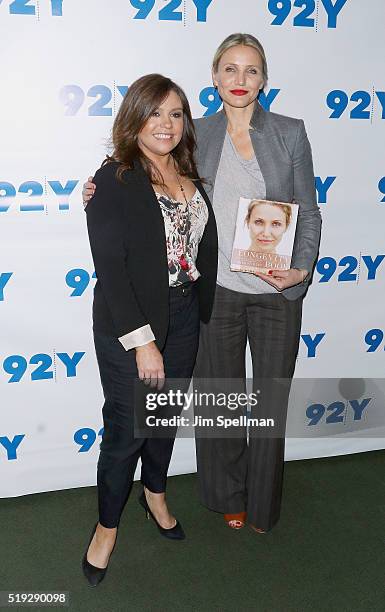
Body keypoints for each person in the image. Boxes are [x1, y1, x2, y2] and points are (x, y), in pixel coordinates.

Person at [83, 33, 321, 534]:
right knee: (222, 405)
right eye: (229, 69)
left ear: (264, 79)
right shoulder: (194, 133)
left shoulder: (290, 132)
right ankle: (227, 497)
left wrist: (299, 269)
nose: (240, 80)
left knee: (269, 405)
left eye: (251, 70)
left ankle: (263, 504)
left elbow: (310, 211)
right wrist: (98, 182)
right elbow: (146, 170)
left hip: (277, 294)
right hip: (217, 295)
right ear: (214, 77)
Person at [82, 73, 217, 586]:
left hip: (183, 314)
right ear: (134, 119)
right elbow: (111, 270)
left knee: (164, 418)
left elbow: (199, 247)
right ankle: (106, 529)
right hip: (129, 322)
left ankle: (155, 493)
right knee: (127, 431)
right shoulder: (114, 178)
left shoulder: (189, 174)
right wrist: (143, 342)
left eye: (176, 113)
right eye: (155, 112)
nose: (166, 124)